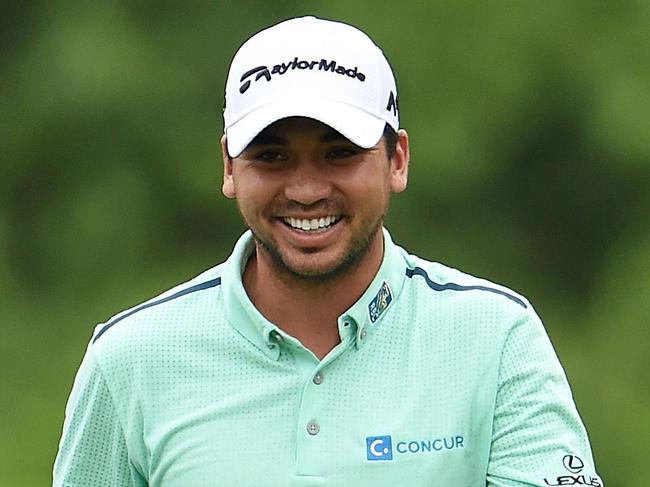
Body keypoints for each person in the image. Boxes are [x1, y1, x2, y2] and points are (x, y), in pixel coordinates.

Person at [53, 16, 604, 487]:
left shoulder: (494, 337)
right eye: (271, 157)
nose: (306, 189)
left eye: (340, 154)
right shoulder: (131, 359)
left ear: (397, 160)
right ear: (228, 167)